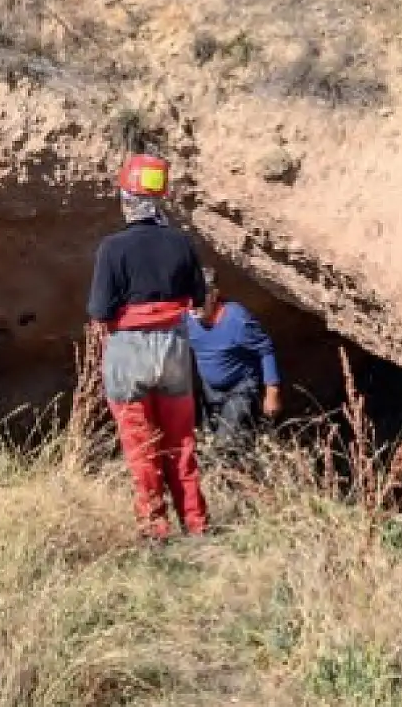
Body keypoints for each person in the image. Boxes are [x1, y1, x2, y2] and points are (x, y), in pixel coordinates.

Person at [87, 153, 210, 540]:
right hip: (173, 349)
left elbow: (99, 309)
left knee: (141, 447)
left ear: (126, 200)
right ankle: (196, 524)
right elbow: (201, 299)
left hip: (129, 351)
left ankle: (155, 529)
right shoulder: (182, 243)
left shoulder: (112, 248)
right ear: (160, 198)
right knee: (181, 442)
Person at [186, 267, 283, 463]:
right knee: (207, 440)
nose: (193, 305)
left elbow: (265, 349)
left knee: (224, 444)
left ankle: (231, 480)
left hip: (240, 389)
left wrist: (272, 393)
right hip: (210, 392)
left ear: (213, 295)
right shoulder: (187, 318)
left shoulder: (237, 321)